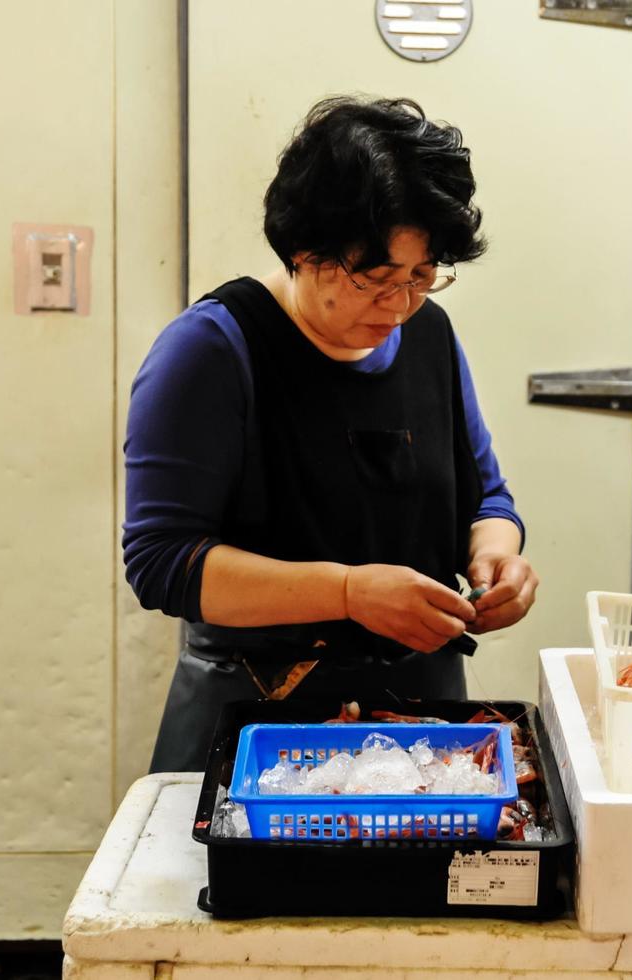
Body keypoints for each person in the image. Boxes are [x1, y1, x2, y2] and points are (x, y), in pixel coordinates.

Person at [123, 96, 539, 772]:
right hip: (256, 723)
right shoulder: (212, 350)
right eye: (376, 279)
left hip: (418, 726)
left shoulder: (427, 334)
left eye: (422, 277)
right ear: (304, 252)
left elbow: (485, 496)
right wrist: (348, 593)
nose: (401, 305)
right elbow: (162, 563)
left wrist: (498, 557)